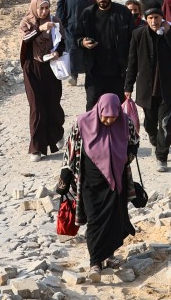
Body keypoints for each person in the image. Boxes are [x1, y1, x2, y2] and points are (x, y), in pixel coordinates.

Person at [60, 94, 138, 270]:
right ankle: (95, 262)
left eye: (113, 117)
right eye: (105, 116)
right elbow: (70, 148)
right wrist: (65, 173)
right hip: (91, 182)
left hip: (116, 182)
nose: (109, 120)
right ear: (99, 110)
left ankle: (109, 256)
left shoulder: (125, 122)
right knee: (95, 220)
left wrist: (127, 157)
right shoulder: (82, 122)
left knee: (113, 220)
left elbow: (134, 143)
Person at [124, 7, 171, 172]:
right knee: (150, 124)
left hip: (168, 88)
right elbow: (132, 61)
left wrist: (169, 33)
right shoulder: (138, 35)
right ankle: (153, 138)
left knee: (165, 124)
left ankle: (162, 156)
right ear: (146, 19)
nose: (154, 21)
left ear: (162, 18)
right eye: (150, 18)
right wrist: (128, 85)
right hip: (147, 89)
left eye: (157, 17)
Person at [18, 0, 65, 161]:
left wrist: (57, 52)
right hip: (32, 68)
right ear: (34, 8)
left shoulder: (56, 21)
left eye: (47, 8)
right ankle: (36, 148)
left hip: (50, 68)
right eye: (41, 8)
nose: (44, 11)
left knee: (53, 104)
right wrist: (40, 29)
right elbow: (26, 39)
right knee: (36, 107)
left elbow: (63, 42)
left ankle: (57, 134)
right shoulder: (27, 23)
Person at [77, 0, 135, 111]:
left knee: (117, 111)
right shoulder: (87, 14)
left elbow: (133, 41)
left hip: (117, 74)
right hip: (94, 73)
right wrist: (83, 42)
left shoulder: (123, 13)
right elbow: (76, 37)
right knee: (92, 110)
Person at [59, 0, 99, 81]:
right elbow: (61, 0)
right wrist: (60, 18)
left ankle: (90, 73)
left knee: (88, 48)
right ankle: (74, 75)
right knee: (72, 49)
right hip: (71, 22)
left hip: (89, 23)